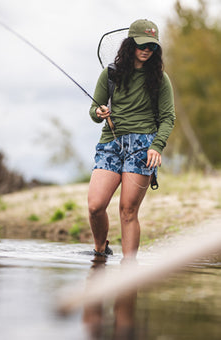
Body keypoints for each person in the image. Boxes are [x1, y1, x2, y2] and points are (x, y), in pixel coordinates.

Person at [88, 19, 175, 259]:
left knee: (128, 211)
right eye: (142, 45)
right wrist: (99, 112)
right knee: (95, 206)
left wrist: (157, 146)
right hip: (110, 144)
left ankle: (129, 269)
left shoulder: (160, 79)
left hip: (143, 147)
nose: (147, 49)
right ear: (130, 44)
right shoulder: (110, 75)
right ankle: (100, 250)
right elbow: (94, 110)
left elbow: (168, 117)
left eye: (153, 46)